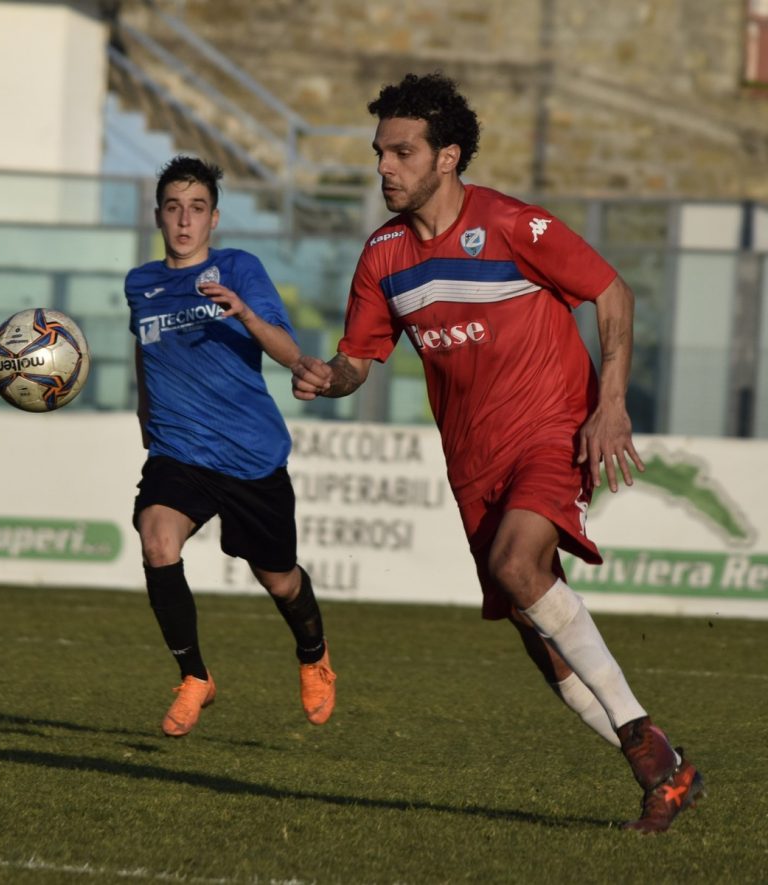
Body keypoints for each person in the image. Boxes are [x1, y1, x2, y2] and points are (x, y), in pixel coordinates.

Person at [291, 73, 702, 832]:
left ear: (447, 157)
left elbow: (613, 293)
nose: (385, 166)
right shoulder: (381, 257)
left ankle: (645, 746)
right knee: (537, 631)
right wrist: (331, 375)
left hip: (552, 432)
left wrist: (610, 403)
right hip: (471, 464)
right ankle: (667, 770)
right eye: (380, 151)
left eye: (402, 152)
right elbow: (359, 359)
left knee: (519, 566)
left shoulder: (514, 226)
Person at [125, 155, 335, 737]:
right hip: (178, 451)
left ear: (214, 219)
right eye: (173, 209)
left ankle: (314, 652)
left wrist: (242, 312)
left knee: (280, 580)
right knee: (156, 538)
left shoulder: (239, 268)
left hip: (249, 454)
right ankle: (195, 677)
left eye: (196, 209)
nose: (184, 221)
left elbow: (288, 349)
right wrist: (146, 416)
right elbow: (146, 352)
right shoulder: (140, 284)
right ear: (159, 217)